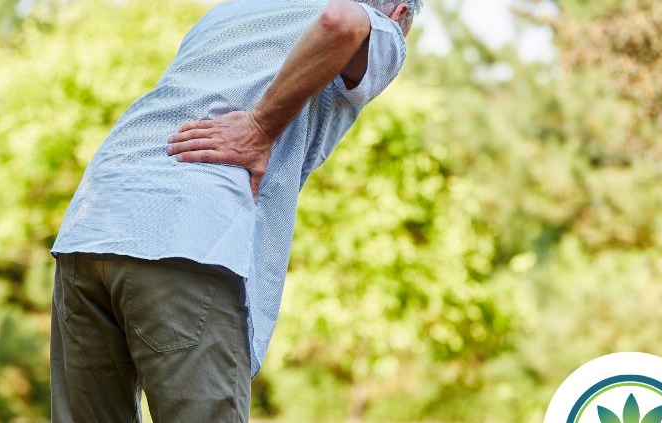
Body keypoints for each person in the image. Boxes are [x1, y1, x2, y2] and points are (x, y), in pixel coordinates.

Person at [49, 0, 420, 421]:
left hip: (93, 220)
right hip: (186, 232)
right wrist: (261, 127)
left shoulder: (233, 13)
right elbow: (343, 20)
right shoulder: (378, 25)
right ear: (399, 12)